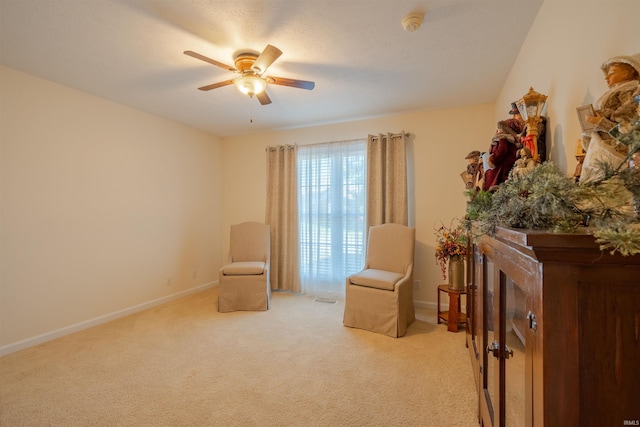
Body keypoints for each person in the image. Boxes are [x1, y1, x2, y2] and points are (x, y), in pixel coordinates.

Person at [580, 53, 640, 183]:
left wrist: (600, 122)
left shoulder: (631, 90)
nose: (606, 77)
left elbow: (626, 122)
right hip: (602, 146)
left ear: (626, 73)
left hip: (615, 149)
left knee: (612, 185)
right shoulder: (613, 91)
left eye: (612, 73)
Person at [482, 118, 525, 191]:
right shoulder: (506, 140)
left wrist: (492, 159)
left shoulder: (503, 139)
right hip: (505, 167)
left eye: (498, 129)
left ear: (503, 129)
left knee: (489, 178)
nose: (497, 131)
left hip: (502, 169)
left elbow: (502, 151)